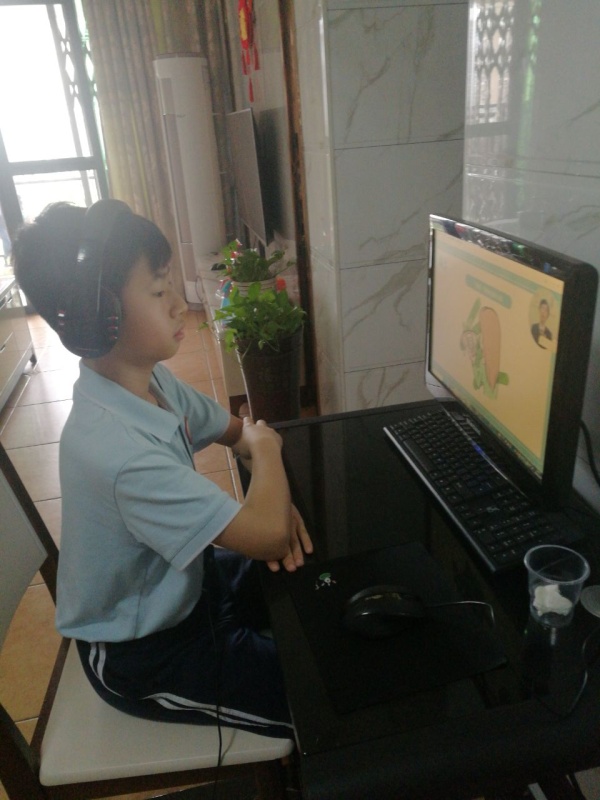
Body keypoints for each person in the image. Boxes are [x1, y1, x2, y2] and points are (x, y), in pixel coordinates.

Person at [11, 199, 313, 739]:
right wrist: (267, 454)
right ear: (97, 316)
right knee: (316, 695)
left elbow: (235, 431)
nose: (179, 305)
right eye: (158, 291)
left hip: (187, 586)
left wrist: (263, 476)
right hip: (146, 650)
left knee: (311, 576)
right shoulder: (117, 452)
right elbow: (263, 507)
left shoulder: (148, 381)